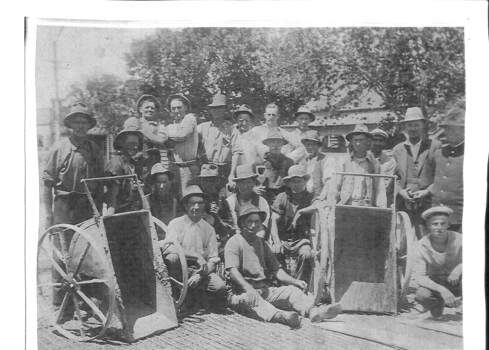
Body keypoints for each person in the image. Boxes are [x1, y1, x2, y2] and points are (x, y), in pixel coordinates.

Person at [225, 204, 342, 328]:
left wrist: (295, 281)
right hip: (241, 293)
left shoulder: (262, 243)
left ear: (260, 224)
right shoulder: (234, 242)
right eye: (249, 222)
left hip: (264, 290)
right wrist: (248, 288)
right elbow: (233, 272)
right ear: (242, 223)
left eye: (256, 222)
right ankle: (282, 316)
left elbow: (277, 270)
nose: (253, 225)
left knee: (292, 291)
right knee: (253, 300)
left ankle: (313, 312)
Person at [42, 103, 104, 306]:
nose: (80, 125)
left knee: (85, 251)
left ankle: (84, 297)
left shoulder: (94, 149)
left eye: (83, 121)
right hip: (64, 205)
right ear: (70, 124)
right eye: (76, 122)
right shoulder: (59, 148)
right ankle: (61, 303)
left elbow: (99, 182)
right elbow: (47, 183)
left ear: (88, 125)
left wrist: (97, 210)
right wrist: (49, 215)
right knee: (62, 252)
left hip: (85, 205)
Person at [164, 185, 227, 309]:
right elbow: (169, 248)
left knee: (219, 287)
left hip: (199, 269)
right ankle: (178, 295)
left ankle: (195, 295)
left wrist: (201, 275)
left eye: (200, 203)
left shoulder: (208, 229)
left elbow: (213, 259)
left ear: (205, 205)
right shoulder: (176, 224)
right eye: (192, 203)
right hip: (180, 268)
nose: (196, 207)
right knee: (172, 258)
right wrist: (196, 256)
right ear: (186, 206)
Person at [417, 104, 464, 232]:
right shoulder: (438, 153)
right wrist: (426, 191)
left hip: (459, 219)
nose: (448, 132)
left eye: (454, 129)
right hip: (436, 216)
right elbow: (430, 181)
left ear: (464, 131)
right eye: (447, 129)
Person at [269, 165, 316, 284]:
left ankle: (300, 284)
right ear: (289, 183)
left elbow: (318, 206)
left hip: (301, 240)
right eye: (293, 182)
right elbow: (273, 220)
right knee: (274, 252)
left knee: (306, 254)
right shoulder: (282, 197)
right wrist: (277, 241)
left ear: (305, 181)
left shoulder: (310, 197)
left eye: (299, 181)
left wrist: (301, 211)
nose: (296, 184)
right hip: (284, 239)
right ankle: (282, 283)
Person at [412, 206, 462, 318]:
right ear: (428, 226)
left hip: (458, 282)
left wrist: (458, 269)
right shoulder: (421, 246)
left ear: (448, 225)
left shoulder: (460, 239)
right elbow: (420, 277)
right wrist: (442, 290)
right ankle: (438, 304)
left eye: (443, 223)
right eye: (435, 224)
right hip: (436, 284)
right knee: (422, 295)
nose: (439, 227)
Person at [393, 107, 435, 233]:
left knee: (425, 239)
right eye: (410, 125)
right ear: (405, 127)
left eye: (416, 125)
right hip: (403, 205)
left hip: (427, 204)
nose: (413, 128)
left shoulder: (434, 146)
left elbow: (441, 175)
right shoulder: (397, 150)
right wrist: (401, 192)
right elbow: (393, 178)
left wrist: (426, 191)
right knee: (404, 242)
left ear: (423, 125)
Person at [197, 93, 243, 185]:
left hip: (224, 170)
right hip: (207, 169)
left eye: (219, 108)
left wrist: (232, 174)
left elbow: (236, 153)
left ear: (224, 109)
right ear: (210, 110)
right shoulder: (202, 127)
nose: (216, 111)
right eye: (214, 108)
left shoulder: (231, 129)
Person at [337, 124, 386, 207]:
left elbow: (380, 189)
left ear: (368, 142)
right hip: (346, 205)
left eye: (361, 140)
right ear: (352, 142)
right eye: (355, 140)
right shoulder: (344, 162)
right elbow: (335, 185)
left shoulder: (374, 164)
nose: (358, 143)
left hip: (366, 207)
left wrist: (382, 208)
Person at [160, 93, 199, 193]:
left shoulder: (190, 118)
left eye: (179, 107)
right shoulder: (172, 125)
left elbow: (182, 135)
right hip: (175, 167)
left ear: (185, 107)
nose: (176, 111)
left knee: (189, 196)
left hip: (188, 168)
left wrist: (166, 135)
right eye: (173, 108)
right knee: (176, 199)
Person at [223, 164, 271, 238]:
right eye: (242, 183)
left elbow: (262, 228)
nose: (246, 186)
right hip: (236, 237)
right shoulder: (230, 202)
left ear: (253, 183)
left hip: (257, 237)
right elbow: (229, 226)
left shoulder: (261, 201)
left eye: (249, 182)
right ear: (237, 184)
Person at [105, 128, 145, 214]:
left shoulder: (133, 163)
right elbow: (112, 195)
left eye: (136, 144)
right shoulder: (116, 163)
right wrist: (110, 213)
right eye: (130, 144)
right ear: (121, 144)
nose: (134, 147)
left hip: (133, 210)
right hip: (120, 212)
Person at [299, 130, 337, 202]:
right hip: (305, 198)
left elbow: (329, 182)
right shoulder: (303, 161)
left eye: (313, 144)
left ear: (318, 145)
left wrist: (321, 198)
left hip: (320, 197)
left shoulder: (327, 160)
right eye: (307, 144)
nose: (309, 147)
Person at [260, 130, 295, 203]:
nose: (276, 145)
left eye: (279, 142)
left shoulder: (289, 162)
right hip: (265, 195)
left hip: (283, 195)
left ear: (282, 144)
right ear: (267, 144)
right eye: (272, 142)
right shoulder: (260, 162)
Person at [370, 128, 397, 205]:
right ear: (369, 141)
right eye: (374, 140)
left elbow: (386, 184)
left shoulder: (390, 162)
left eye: (381, 141)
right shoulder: (364, 158)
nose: (377, 143)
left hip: (381, 201)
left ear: (385, 143)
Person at [148, 163, 178, 230]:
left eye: (164, 182)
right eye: (159, 182)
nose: (161, 186)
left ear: (169, 183)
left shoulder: (174, 201)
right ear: (154, 183)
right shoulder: (147, 201)